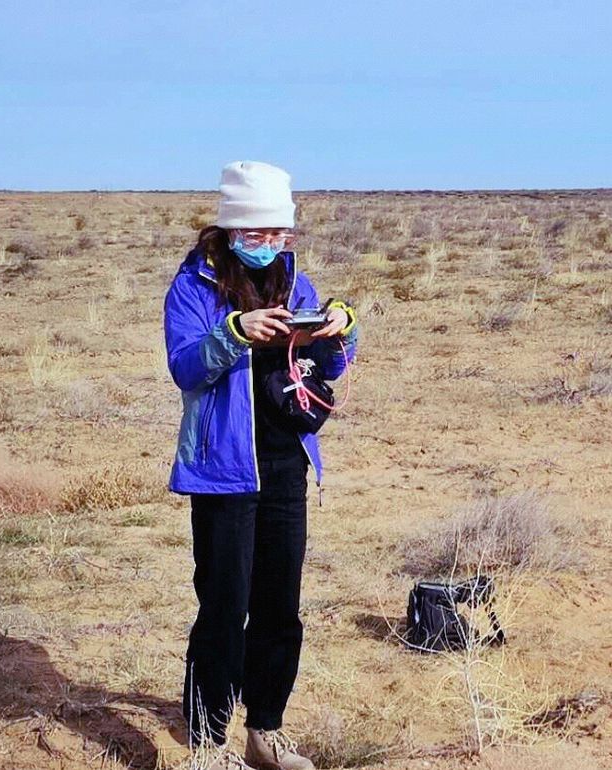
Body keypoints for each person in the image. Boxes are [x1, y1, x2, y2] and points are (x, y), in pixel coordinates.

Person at [163, 160, 358, 770]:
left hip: (284, 464)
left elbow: (330, 369)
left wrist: (337, 333)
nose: (271, 245)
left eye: (281, 234)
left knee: (280, 605)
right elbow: (186, 367)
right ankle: (207, 741)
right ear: (229, 232)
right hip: (221, 470)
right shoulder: (192, 287)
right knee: (224, 606)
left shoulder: (293, 281)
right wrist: (237, 332)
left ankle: (265, 729)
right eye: (260, 234)